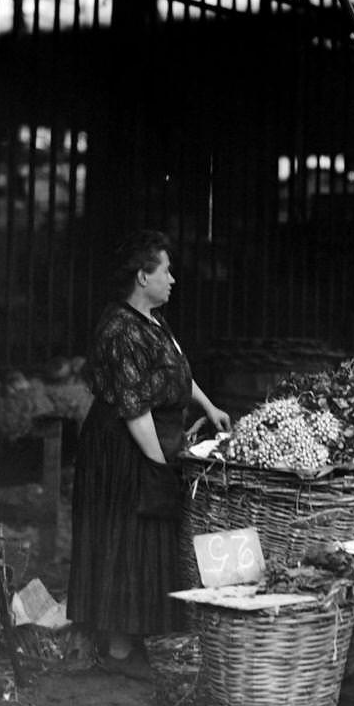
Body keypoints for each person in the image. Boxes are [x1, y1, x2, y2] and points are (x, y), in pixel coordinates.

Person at [68, 230, 231, 679]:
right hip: (122, 446)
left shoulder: (155, 320)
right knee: (126, 535)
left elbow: (177, 372)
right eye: (166, 270)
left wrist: (208, 405)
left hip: (155, 436)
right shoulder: (119, 328)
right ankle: (118, 649)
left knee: (150, 539)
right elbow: (134, 406)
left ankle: (134, 638)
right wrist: (159, 461)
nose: (174, 279)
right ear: (143, 276)